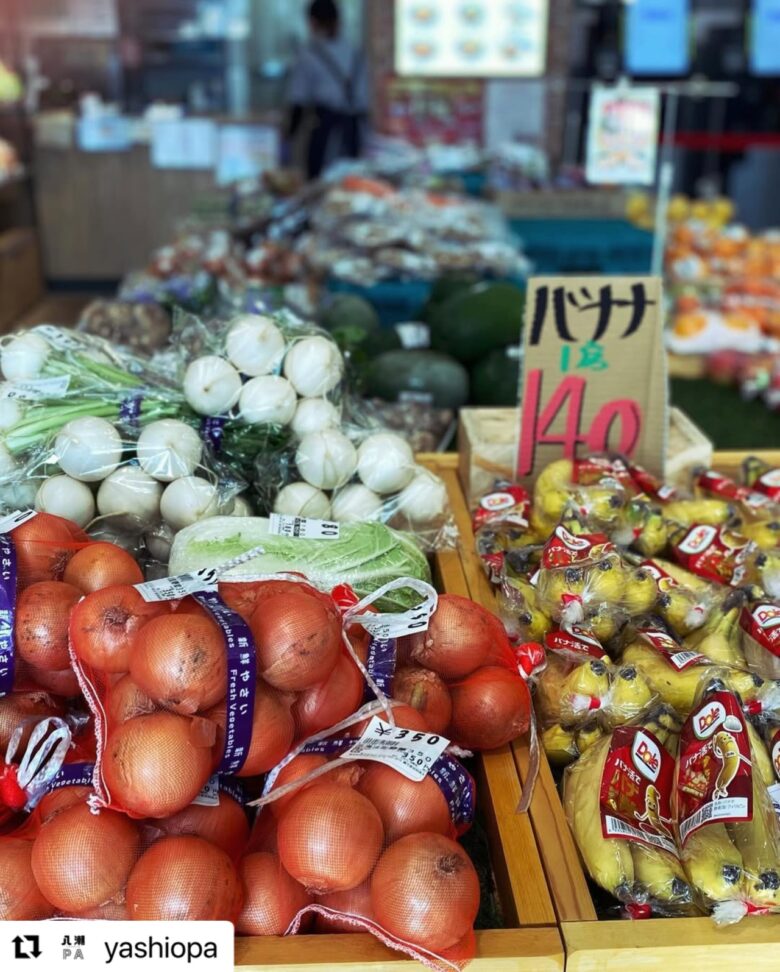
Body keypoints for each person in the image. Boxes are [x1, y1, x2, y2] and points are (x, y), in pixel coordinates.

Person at [287, 0, 369, 179]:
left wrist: (289, 137)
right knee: (351, 181)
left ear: (312, 22)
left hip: (323, 130)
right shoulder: (354, 52)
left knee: (319, 182)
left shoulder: (308, 54)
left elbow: (298, 100)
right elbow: (363, 102)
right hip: (352, 131)